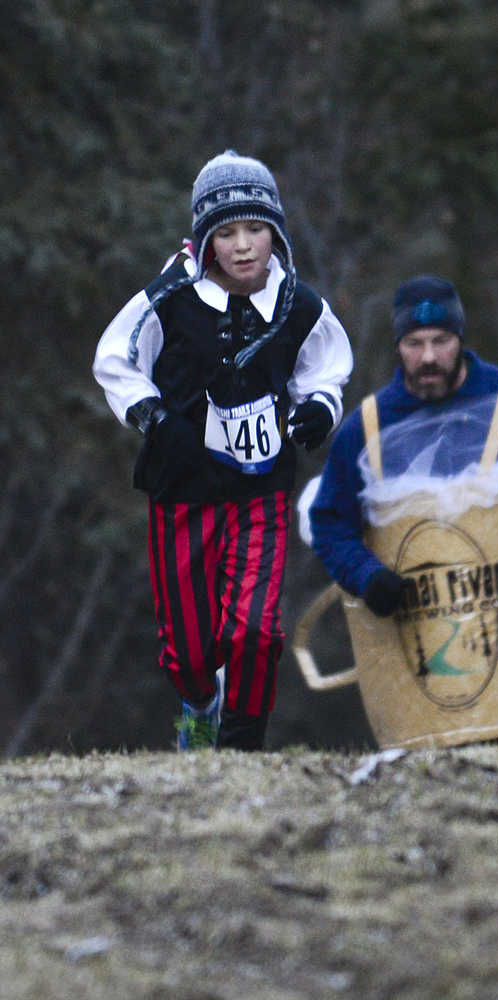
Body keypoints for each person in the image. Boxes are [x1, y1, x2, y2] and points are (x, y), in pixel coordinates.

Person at [94, 150, 353, 751]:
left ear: (276, 235)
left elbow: (327, 370)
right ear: (206, 238)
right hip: (181, 490)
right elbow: (114, 359)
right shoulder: (169, 299)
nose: (242, 246)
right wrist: (153, 416)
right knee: (187, 650)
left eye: (256, 229)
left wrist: (318, 407)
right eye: (228, 232)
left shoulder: (300, 306)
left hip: (259, 489)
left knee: (256, 634)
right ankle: (201, 701)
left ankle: (239, 749)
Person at [308, 274, 498, 655]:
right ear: (398, 346)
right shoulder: (367, 427)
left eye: (441, 341)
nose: (428, 357)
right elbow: (328, 522)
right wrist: (367, 576)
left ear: (460, 339)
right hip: (420, 634)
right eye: (414, 343)